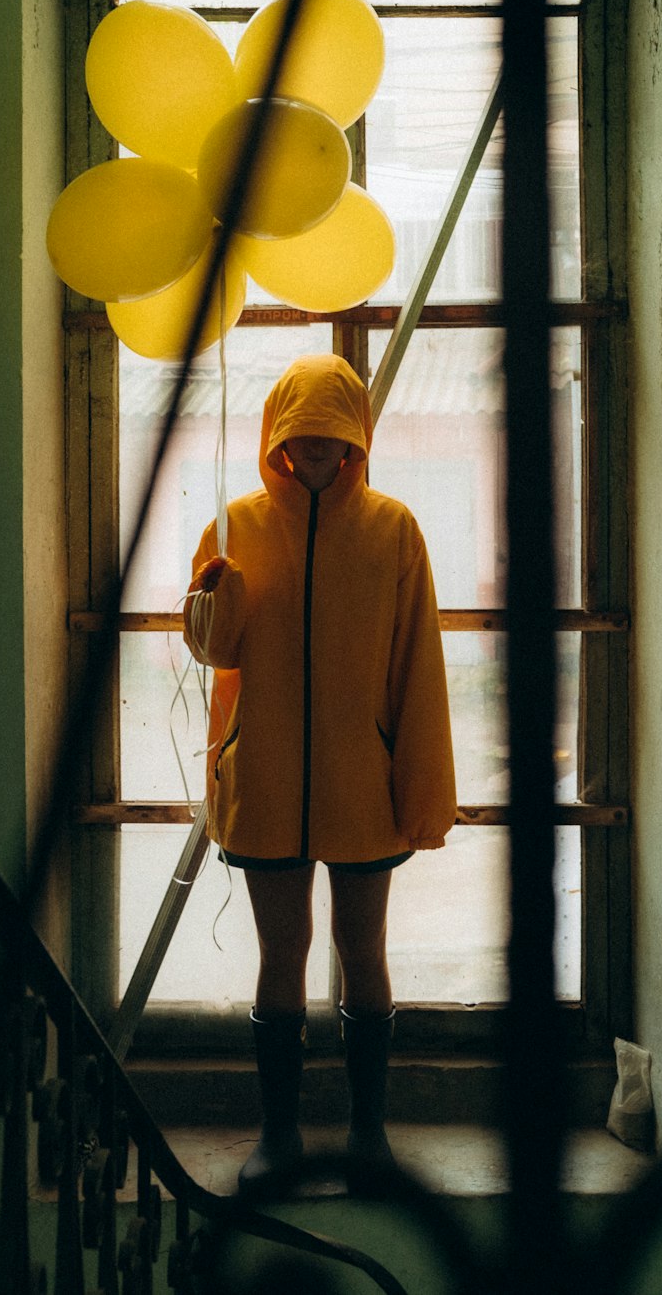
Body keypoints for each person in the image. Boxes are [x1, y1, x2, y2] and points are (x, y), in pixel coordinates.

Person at [183, 352, 456, 1194]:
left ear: (357, 444)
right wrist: (211, 602)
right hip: (264, 781)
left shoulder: (393, 530)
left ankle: (368, 1133)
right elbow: (210, 651)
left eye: (334, 443)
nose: (317, 457)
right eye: (301, 442)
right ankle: (280, 1136)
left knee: (361, 947)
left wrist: (420, 791)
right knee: (282, 952)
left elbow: (419, 667)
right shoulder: (232, 526)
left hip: (361, 784)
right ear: (276, 440)